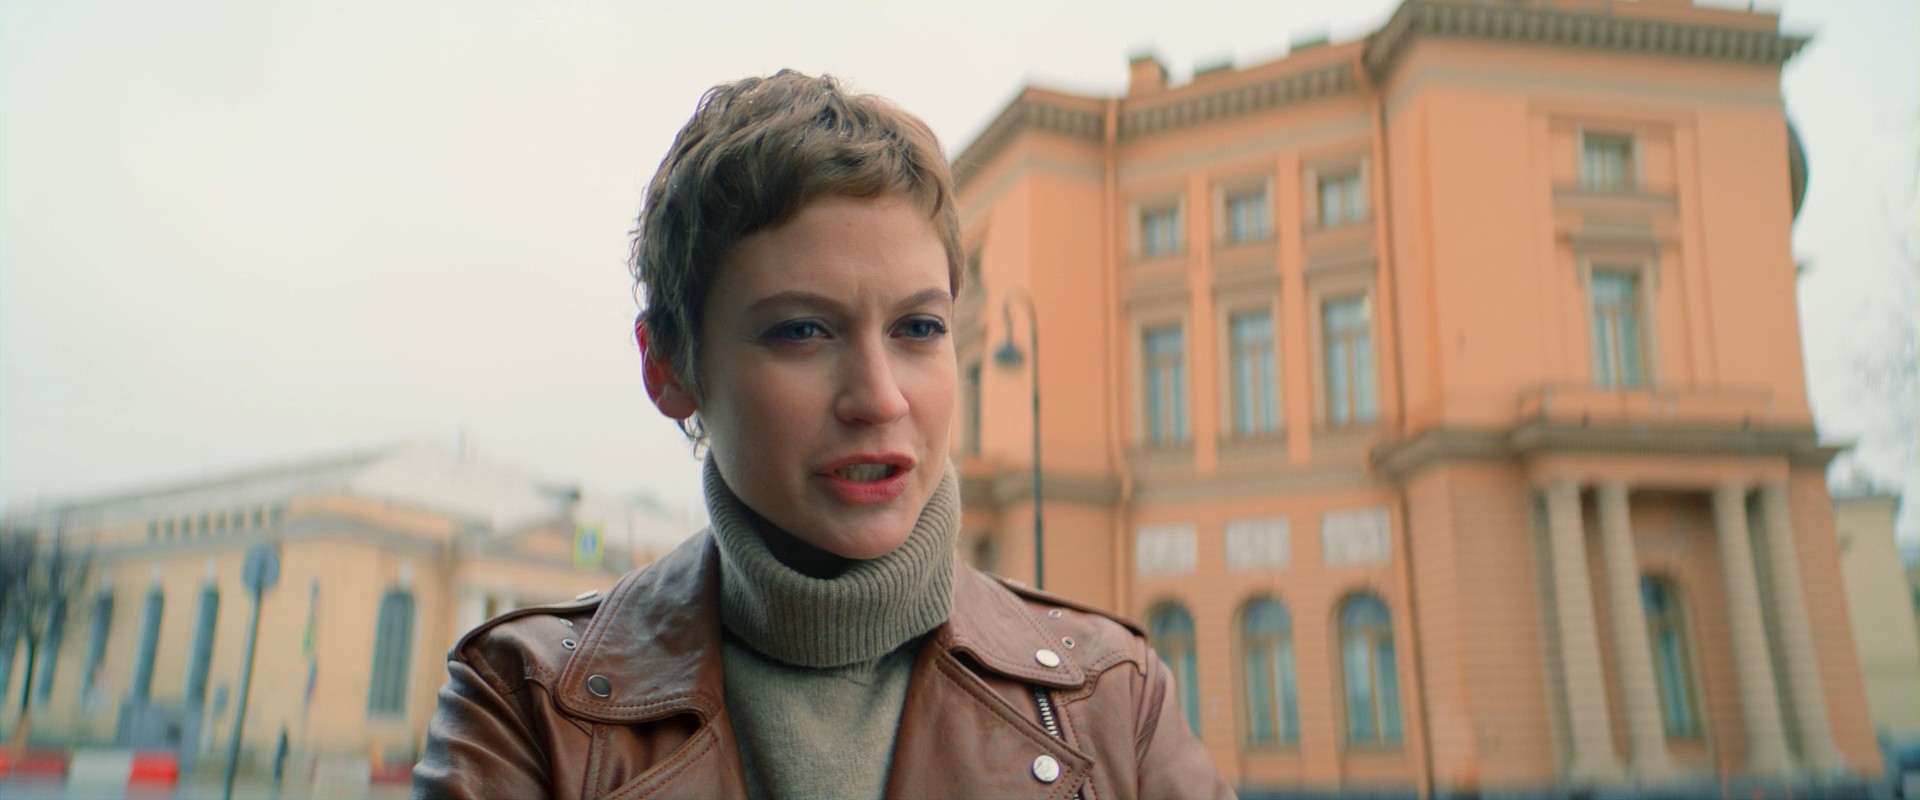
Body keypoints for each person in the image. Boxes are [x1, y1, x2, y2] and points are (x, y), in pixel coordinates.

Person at [411, 70, 1233, 800]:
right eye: (802, 331)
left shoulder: (1111, 695)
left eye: (918, 327)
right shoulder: (527, 705)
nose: (879, 398)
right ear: (667, 366)